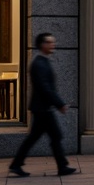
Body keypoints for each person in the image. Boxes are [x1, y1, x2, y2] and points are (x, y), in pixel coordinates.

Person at [9, 33, 77, 177]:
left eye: (53, 42)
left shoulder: (42, 61)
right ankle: (62, 166)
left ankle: (17, 164)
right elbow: (45, 87)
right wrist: (59, 104)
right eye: (49, 42)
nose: (53, 45)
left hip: (42, 107)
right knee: (54, 136)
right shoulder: (39, 63)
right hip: (42, 108)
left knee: (40, 137)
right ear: (42, 45)